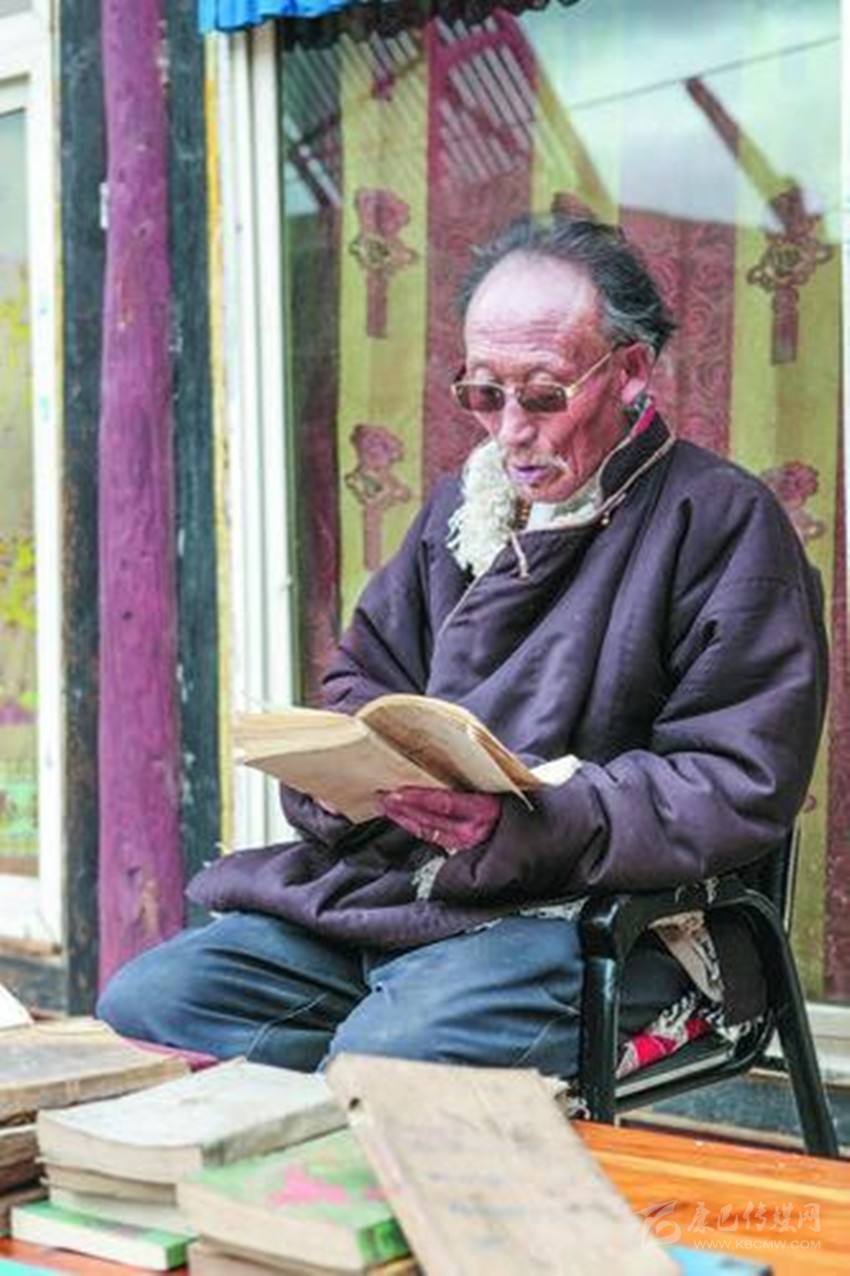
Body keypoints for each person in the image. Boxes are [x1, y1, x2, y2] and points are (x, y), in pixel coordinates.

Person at [98, 215, 827, 1078]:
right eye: (484, 394)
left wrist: (531, 819)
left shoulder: (721, 522)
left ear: (629, 372)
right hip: (409, 895)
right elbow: (365, 680)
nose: (509, 430)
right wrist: (352, 777)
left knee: (392, 1058)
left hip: (608, 919)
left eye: (544, 395)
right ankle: (323, 1140)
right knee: (154, 1006)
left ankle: (362, 1129)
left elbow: (732, 780)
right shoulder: (462, 509)